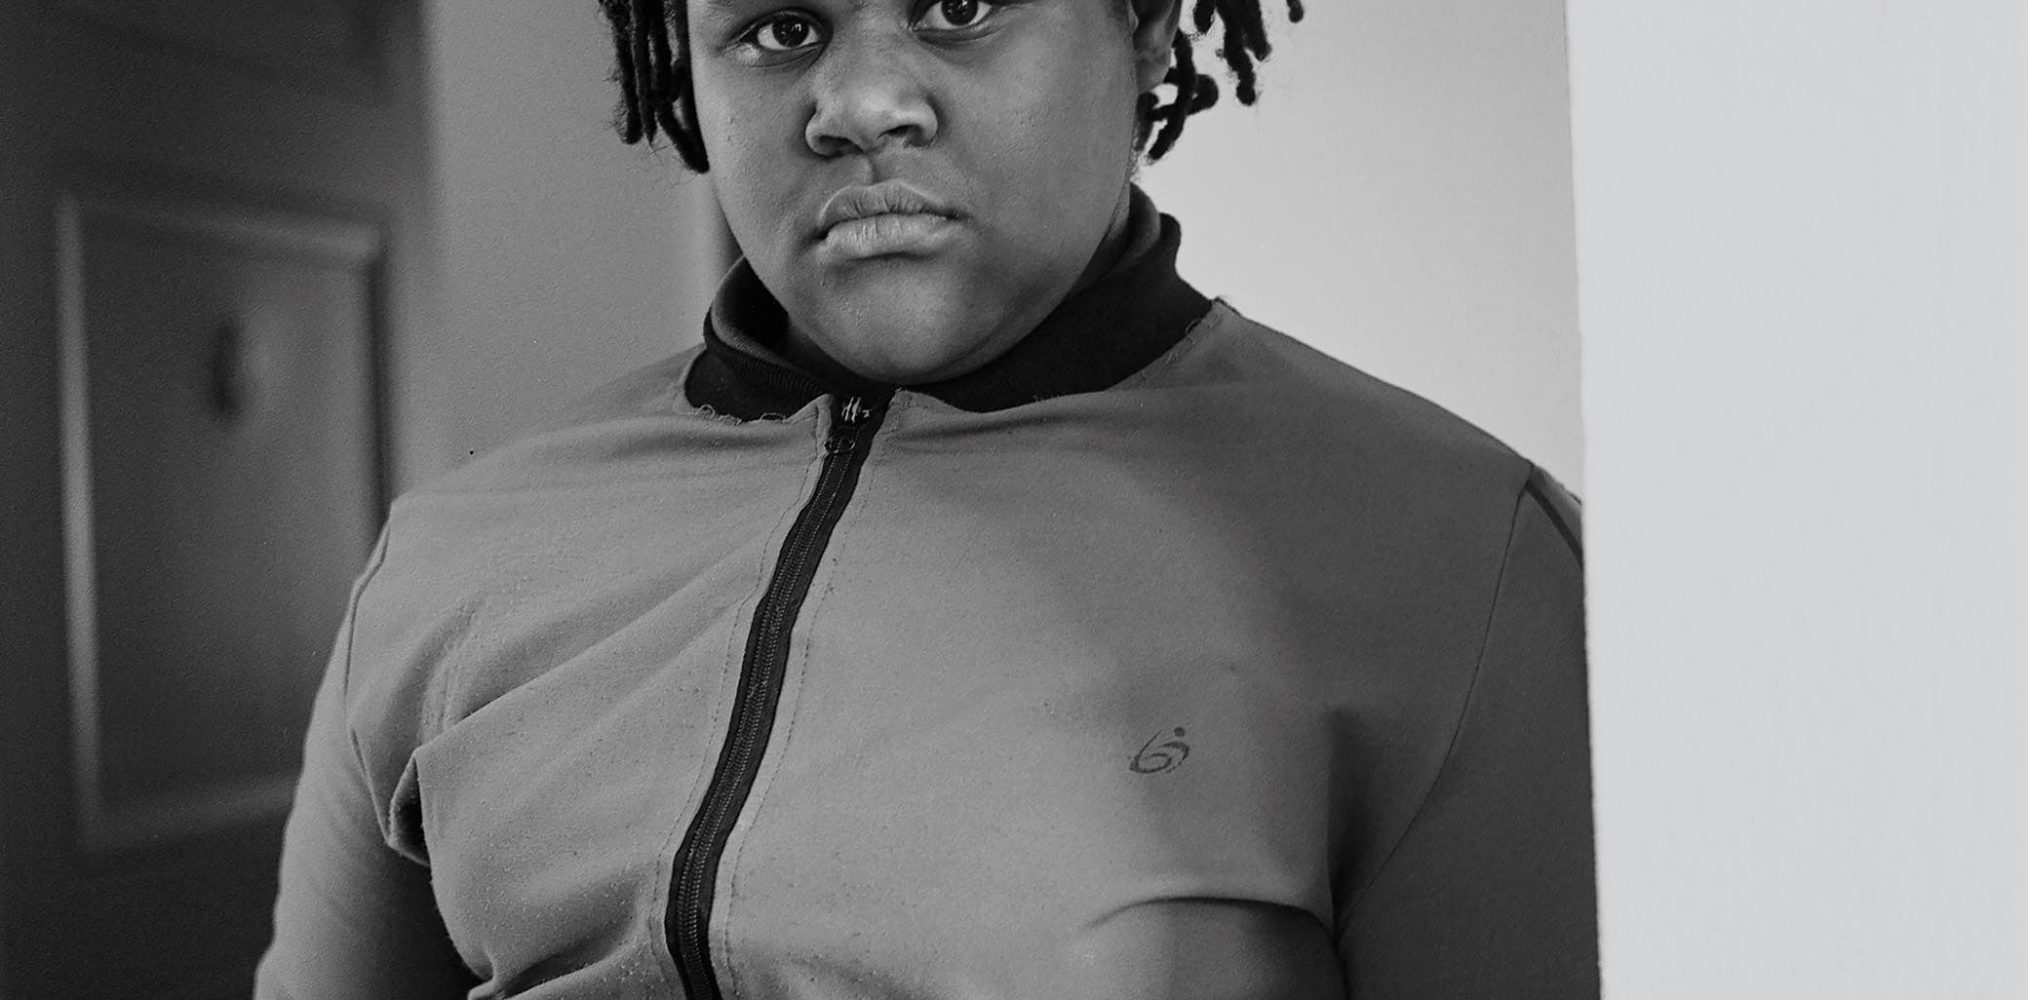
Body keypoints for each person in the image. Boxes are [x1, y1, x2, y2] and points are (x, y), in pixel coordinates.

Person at [256, 0, 1595, 996]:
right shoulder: (458, 553)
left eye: (961, 7)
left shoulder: (1456, 554)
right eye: (779, 29)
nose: (859, 102)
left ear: (1142, 28)